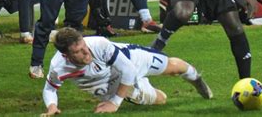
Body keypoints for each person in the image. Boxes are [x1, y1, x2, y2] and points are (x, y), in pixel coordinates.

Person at [41, 27, 212, 115]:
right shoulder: (58, 66)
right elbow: (50, 88)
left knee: (172, 67)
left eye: (83, 45)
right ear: (66, 55)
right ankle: (142, 86)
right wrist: (52, 107)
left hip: (130, 59)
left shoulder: (99, 44)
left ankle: (196, 78)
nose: (86, 52)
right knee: (161, 100)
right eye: (78, 51)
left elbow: (129, 70)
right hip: (108, 83)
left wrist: (115, 103)